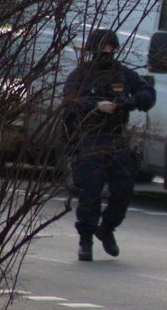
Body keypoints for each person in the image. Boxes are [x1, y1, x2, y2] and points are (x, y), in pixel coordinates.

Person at [64, 28, 156, 262]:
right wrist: (96, 105)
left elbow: (148, 93)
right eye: (104, 48)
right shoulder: (81, 76)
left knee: (123, 191)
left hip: (116, 139)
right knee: (90, 193)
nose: (108, 52)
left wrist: (131, 102)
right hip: (90, 140)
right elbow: (71, 102)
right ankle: (85, 239)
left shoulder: (123, 75)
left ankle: (107, 228)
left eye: (112, 48)